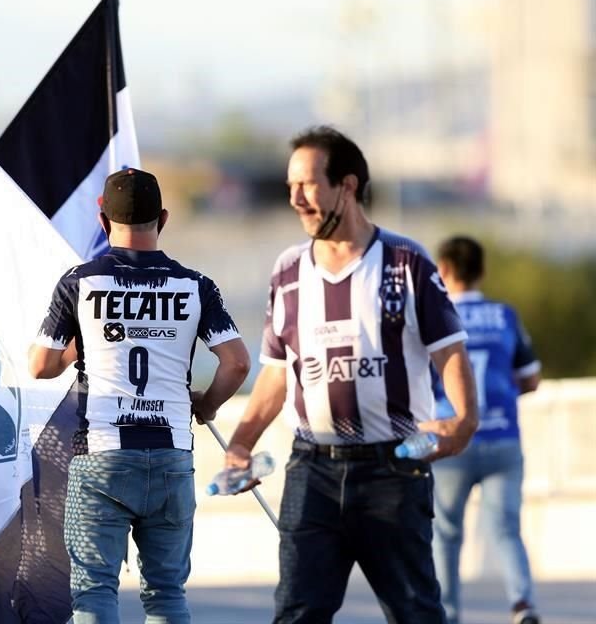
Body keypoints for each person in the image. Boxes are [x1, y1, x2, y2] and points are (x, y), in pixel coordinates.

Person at [225, 126, 479, 624]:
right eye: (290, 186)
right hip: (311, 471)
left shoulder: (407, 262)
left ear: (347, 183)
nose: (295, 198)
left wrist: (464, 421)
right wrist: (240, 443)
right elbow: (275, 376)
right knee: (297, 614)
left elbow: (449, 352)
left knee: (416, 614)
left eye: (308, 184)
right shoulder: (287, 271)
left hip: (394, 471)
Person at [29, 168, 250, 624]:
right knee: (167, 593)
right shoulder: (196, 285)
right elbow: (238, 363)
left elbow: (40, 364)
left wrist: (84, 343)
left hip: (102, 453)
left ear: (102, 219)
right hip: (171, 453)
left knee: (93, 593)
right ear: (163, 218)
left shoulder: (79, 282)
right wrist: (206, 404)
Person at [430, 236, 542, 624]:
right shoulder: (504, 315)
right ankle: (522, 603)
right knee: (507, 528)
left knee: (445, 533)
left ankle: (448, 612)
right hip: (502, 438)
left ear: (442, 269)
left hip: (449, 439)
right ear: (482, 270)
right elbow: (530, 379)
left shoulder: (435, 316)